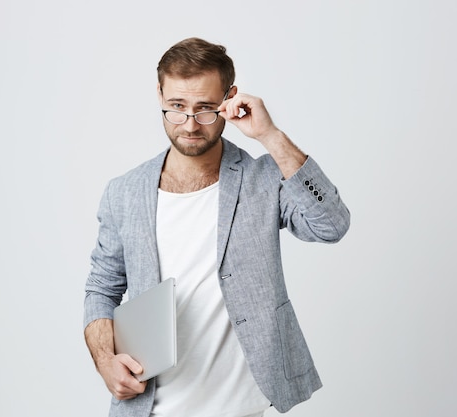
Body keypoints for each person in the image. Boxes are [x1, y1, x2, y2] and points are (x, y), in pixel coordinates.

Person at [83, 37, 350, 417]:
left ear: (230, 98)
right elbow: (101, 288)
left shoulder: (264, 178)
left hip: (241, 409)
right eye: (176, 107)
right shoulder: (123, 192)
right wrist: (105, 360)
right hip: (149, 408)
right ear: (159, 94)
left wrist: (270, 136)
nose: (190, 125)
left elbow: (332, 225)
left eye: (206, 108)